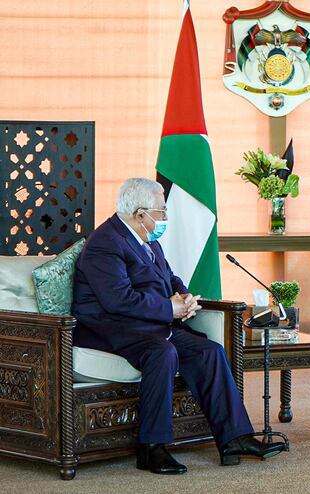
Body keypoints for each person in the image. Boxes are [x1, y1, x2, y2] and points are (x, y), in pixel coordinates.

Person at [72, 178, 281, 474]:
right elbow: (118, 300)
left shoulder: (148, 239)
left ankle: (235, 438)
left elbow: (169, 277)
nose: (166, 219)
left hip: (148, 326)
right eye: (162, 212)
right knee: (163, 352)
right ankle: (152, 448)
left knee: (209, 351)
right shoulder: (104, 244)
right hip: (109, 329)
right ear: (140, 213)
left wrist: (184, 296)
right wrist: (170, 308)